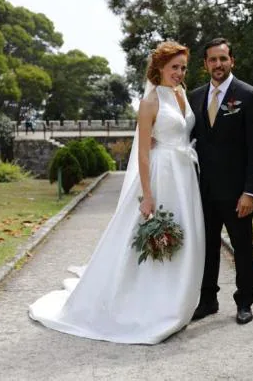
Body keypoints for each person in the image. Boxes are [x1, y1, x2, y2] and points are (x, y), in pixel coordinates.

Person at [29, 41, 205, 344]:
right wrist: (147, 195)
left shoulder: (181, 94)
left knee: (185, 235)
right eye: (174, 67)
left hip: (185, 175)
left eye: (183, 67)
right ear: (159, 68)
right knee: (154, 234)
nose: (179, 73)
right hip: (162, 174)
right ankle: (151, 304)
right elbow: (144, 154)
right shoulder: (150, 101)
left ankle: (179, 301)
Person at [188, 38, 253, 325]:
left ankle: (244, 302)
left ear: (232, 60)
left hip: (236, 193)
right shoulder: (194, 97)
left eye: (223, 59)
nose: (218, 65)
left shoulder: (248, 95)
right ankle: (207, 300)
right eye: (212, 60)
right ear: (205, 64)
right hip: (202, 191)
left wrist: (250, 192)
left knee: (242, 248)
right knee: (206, 248)